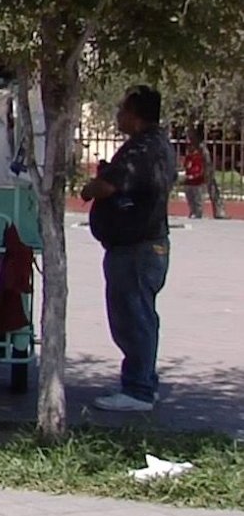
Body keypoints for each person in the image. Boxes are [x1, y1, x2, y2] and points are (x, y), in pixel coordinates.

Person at [81, 85, 177, 412]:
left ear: (135, 116)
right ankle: (143, 381)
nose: (118, 114)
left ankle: (138, 390)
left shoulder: (143, 149)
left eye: (122, 109)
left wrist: (89, 188)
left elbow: (108, 186)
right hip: (139, 245)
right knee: (138, 316)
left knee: (133, 317)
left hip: (137, 248)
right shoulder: (152, 145)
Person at [183, 127, 226, 220]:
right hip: (188, 182)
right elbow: (186, 167)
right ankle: (193, 212)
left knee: (197, 199)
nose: (189, 148)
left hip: (197, 182)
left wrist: (195, 175)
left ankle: (198, 214)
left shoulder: (198, 157)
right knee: (190, 198)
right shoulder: (188, 157)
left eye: (191, 146)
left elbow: (201, 169)